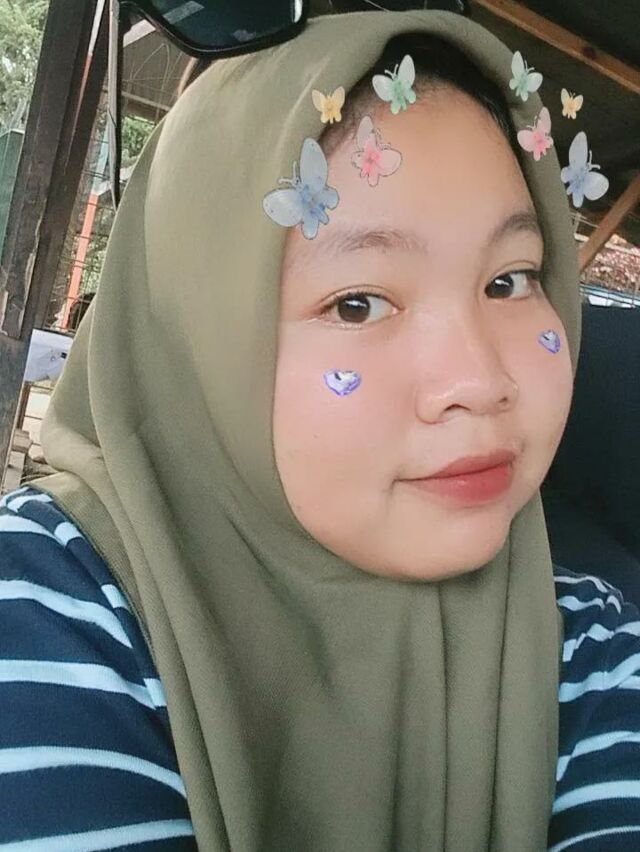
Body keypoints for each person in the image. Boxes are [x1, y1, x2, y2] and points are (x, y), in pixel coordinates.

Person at [1, 10, 639, 851]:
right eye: (357, 303)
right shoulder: (38, 607)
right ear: (200, 339)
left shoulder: (592, 648)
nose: (479, 381)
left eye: (511, 280)